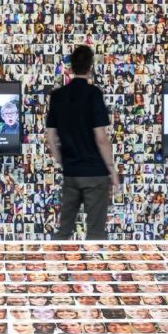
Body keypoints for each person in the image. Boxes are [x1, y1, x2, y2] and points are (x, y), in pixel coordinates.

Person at [45, 44, 118, 241]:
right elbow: (101, 138)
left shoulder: (58, 96)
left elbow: (51, 136)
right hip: (95, 174)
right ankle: (93, 271)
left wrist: (62, 160)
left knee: (64, 230)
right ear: (90, 67)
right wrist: (112, 170)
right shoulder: (94, 94)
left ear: (70, 67)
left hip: (71, 173)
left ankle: (56, 269)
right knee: (95, 233)